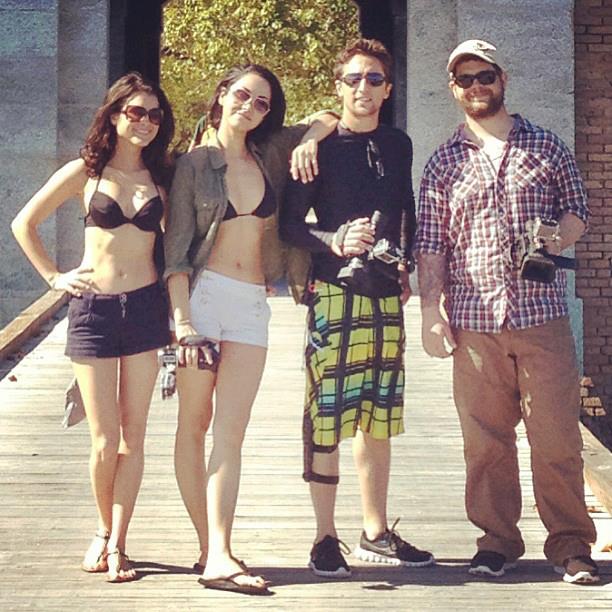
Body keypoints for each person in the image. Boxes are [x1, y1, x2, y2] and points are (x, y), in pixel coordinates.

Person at [414, 39, 599, 585]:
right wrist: (430, 313)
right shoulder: (443, 162)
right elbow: (431, 244)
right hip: (473, 321)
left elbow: (578, 209)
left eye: (485, 76)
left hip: (541, 316)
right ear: (454, 89)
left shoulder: (545, 145)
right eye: (465, 79)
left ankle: (571, 546)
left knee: (557, 439)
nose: (476, 86)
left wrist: (556, 238)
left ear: (503, 80)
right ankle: (496, 542)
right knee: (485, 442)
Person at [163, 63, 338, 595]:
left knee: (231, 433)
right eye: (242, 95)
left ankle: (218, 550)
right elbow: (176, 251)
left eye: (262, 102)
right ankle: (211, 548)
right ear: (222, 94)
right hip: (202, 299)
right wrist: (183, 322)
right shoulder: (194, 164)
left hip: (250, 305)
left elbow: (329, 116)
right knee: (194, 426)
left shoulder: (270, 153)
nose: (250, 107)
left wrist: (309, 139)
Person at [11, 72, 175, 582]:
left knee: (134, 438)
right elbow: (23, 223)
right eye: (136, 112)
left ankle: (120, 542)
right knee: (104, 439)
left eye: (154, 115)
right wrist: (55, 277)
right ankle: (102, 530)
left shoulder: (161, 178)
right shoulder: (86, 172)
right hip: (93, 312)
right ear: (114, 114)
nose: (145, 122)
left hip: (146, 310)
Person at [281, 38, 434, 578]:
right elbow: (289, 225)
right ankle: (325, 537)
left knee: (378, 415)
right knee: (326, 415)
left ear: (388, 89)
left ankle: (375, 532)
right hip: (333, 291)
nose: (363, 88)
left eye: (374, 79)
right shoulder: (316, 149)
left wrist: (405, 264)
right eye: (353, 78)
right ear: (338, 86)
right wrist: (334, 239)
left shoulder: (398, 143)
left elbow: (405, 207)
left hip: (385, 291)